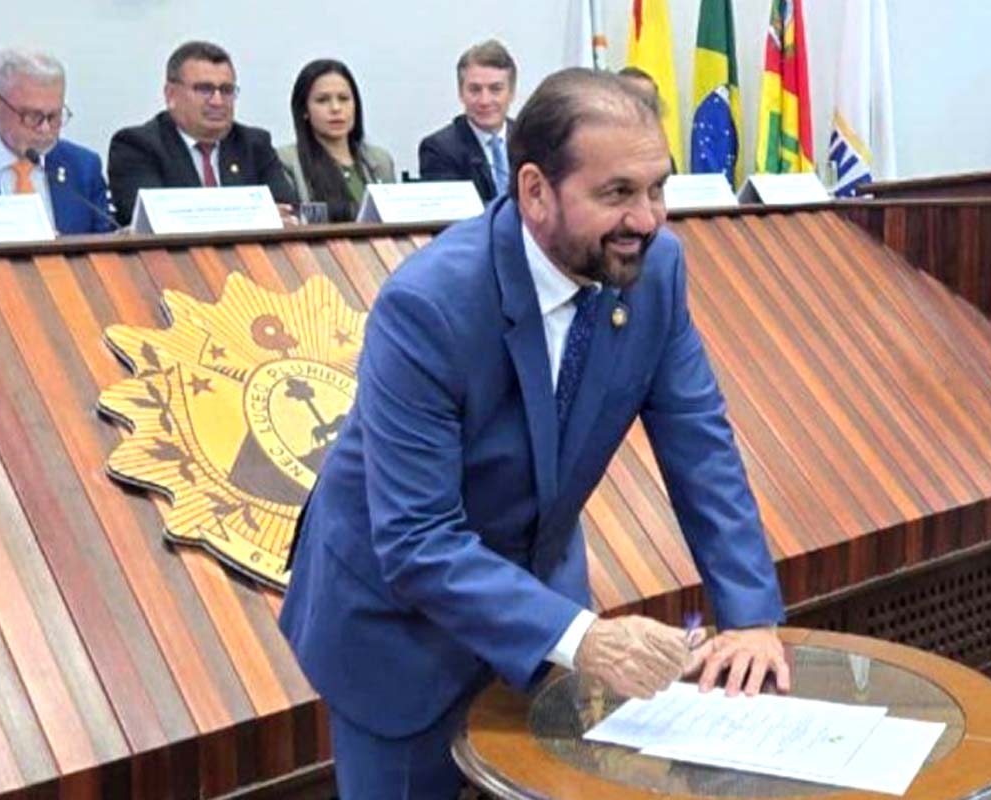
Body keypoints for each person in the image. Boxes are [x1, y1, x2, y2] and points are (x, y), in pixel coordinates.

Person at [280, 67, 789, 799]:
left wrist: (749, 616)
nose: (647, 219)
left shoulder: (655, 269)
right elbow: (417, 539)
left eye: (657, 189)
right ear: (535, 191)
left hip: (539, 598)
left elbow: (699, 441)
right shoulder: (427, 306)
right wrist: (585, 637)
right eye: (616, 193)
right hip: (395, 627)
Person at [107, 41, 297, 225]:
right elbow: (152, 221)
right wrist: (252, 217)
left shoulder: (254, 144)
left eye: (226, 90)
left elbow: (288, 213)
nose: (217, 101)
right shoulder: (137, 146)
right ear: (171, 95)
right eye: (204, 89)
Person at [0, 49, 112, 234]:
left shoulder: (84, 168)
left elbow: (107, 246)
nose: (45, 129)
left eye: (54, 116)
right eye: (32, 116)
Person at [278, 59, 395, 223]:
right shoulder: (287, 162)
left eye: (343, 98)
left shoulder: (380, 161)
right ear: (304, 110)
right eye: (322, 100)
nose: (335, 108)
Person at [418, 39, 517, 202]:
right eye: (475, 90)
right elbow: (451, 215)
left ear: (511, 92)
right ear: (460, 93)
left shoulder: (531, 141)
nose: (485, 100)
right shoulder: (439, 149)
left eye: (495, 89)